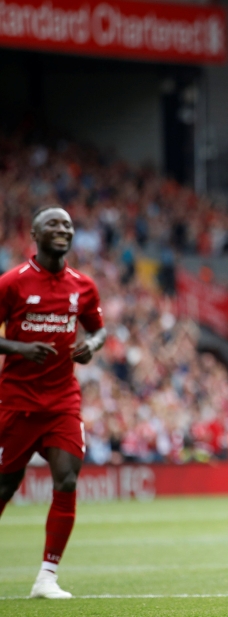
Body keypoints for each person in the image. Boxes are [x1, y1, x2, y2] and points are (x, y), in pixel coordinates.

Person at [0, 207, 106, 599]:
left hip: (62, 401)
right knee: (5, 487)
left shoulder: (83, 285)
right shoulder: (12, 283)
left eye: (68, 225)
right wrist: (20, 348)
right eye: (53, 224)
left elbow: (100, 330)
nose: (62, 229)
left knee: (67, 479)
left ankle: (47, 577)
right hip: (16, 401)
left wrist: (91, 346)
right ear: (34, 233)